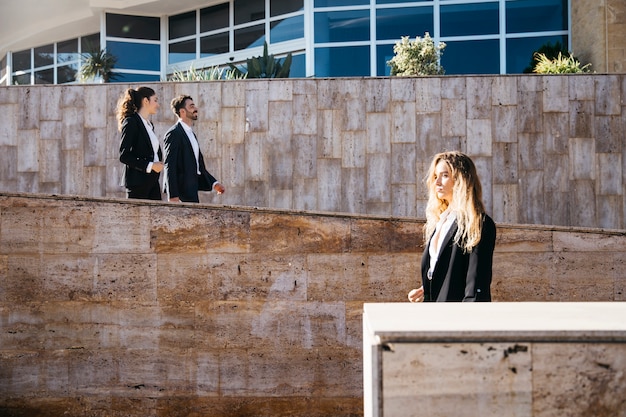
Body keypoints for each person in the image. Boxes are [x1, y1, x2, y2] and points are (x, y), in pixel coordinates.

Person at [408, 151, 496, 302]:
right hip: (435, 316)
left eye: (445, 175)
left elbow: (476, 284)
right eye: (436, 176)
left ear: (461, 179)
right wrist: (428, 289)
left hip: (458, 320)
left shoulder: (478, 223)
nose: (437, 182)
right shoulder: (441, 221)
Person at [163, 95, 225, 203]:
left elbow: (198, 166)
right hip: (180, 194)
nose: (195, 108)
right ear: (182, 111)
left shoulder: (191, 134)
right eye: (191, 106)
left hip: (191, 190)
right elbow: (170, 165)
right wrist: (173, 195)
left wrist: (214, 183)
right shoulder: (174, 133)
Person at [117, 86, 164, 200]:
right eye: (155, 100)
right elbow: (124, 156)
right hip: (138, 184)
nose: (157, 104)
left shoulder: (149, 124)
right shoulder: (131, 122)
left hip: (153, 182)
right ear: (146, 101)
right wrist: (150, 165)